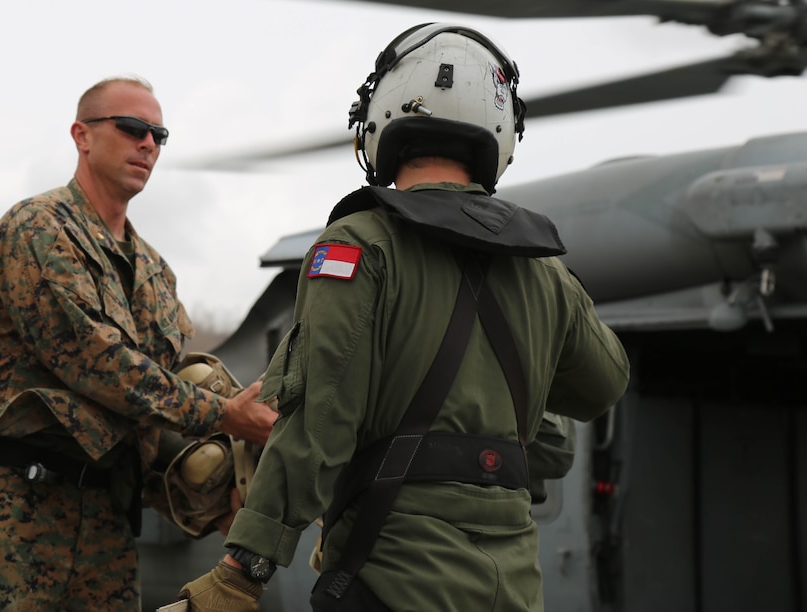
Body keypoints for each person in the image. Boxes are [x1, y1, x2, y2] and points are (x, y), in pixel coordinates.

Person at [171, 24, 630, 612]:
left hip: (392, 583)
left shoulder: (359, 247)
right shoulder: (546, 275)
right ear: (500, 131)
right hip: (513, 591)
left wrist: (243, 570)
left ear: (382, 113)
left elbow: (321, 419)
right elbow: (599, 391)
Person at [0, 75, 277, 611]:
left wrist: (211, 493)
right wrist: (224, 415)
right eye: (133, 127)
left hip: (109, 523)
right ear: (81, 135)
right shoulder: (37, 229)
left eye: (159, 134)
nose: (148, 144)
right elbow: (96, 363)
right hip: (16, 511)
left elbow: (147, 419)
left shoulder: (155, 272)